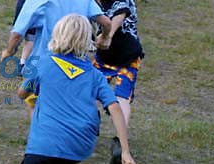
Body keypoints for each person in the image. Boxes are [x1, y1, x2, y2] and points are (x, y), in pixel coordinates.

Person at [17, 14, 136, 164]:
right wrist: (125, 151)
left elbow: (22, 93)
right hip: (80, 144)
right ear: (88, 40)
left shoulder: (43, 63)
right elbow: (115, 108)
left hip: (45, 143)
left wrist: (34, 96)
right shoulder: (95, 75)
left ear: (57, 35)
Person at [2, 0, 112, 81]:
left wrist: (9, 51)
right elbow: (107, 22)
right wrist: (105, 37)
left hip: (45, 63)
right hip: (76, 66)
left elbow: (17, 34)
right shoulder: (84, 0)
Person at [93, 0, 144, 163]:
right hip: (130, 54)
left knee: (91, 90)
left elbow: (119, 12)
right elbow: (110, 6)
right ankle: (118, 139)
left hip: (108, 54)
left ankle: (90, 121)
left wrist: (108, 35)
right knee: (123, 97)